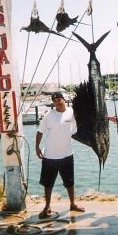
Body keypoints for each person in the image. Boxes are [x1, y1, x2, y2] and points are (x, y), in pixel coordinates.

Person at [35, 91, 85, 219]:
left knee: (70, 182)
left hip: (67, 155)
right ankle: (47, 206)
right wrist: (37, 147)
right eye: (54, 101)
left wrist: (108, 118)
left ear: (64, 99)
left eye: (59, 100)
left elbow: (88, 118)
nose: (57, 102)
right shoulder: (49, 115)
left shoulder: (72, 112)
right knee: (48, 183)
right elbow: (40, 132)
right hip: (49, 156)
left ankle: (73, 204)